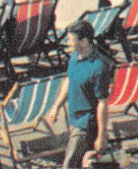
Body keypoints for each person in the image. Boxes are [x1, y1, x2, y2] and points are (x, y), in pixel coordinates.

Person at [55, 18, 113, 168]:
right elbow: (69, 80)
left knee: (69, 166)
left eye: (70, 40)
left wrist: (102, 136)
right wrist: (56, 106)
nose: (67, 43)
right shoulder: (75, 56)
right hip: (74, 120)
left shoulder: (99, 67)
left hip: (86, 125)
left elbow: (102, 104)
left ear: (84, 41)